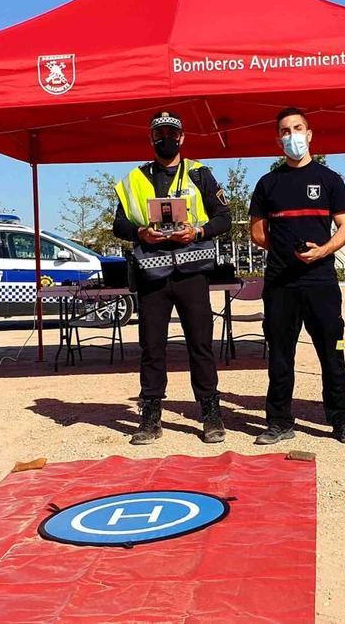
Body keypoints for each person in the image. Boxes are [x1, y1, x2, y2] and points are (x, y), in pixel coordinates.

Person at [112, 110, 232, 445]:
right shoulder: (134, 179)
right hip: (151, 273)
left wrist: (198, 231)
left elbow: (224, 218)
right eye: (159, 133)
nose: (166, 138)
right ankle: (150, 418)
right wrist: (140, 232)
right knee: (152, 347)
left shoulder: (200, 174)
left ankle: (210, 414)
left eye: (172, 133)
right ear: (151, 138)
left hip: (192, 272)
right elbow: (118, 224)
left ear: (182, 137)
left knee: (201, 345)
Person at [249, 107, 345, 445]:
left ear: (309, 134)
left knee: (332, 353)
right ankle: (280, 422)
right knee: (281, 356)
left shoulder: (330, 179)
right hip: (281, 283)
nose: (292, 135)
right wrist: (285, 251)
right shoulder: (268, 183)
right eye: (285, 131)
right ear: (278, 139)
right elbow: (257, 233)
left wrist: (323, 250)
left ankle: (342, 421)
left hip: (322, 282)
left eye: (297, 128)